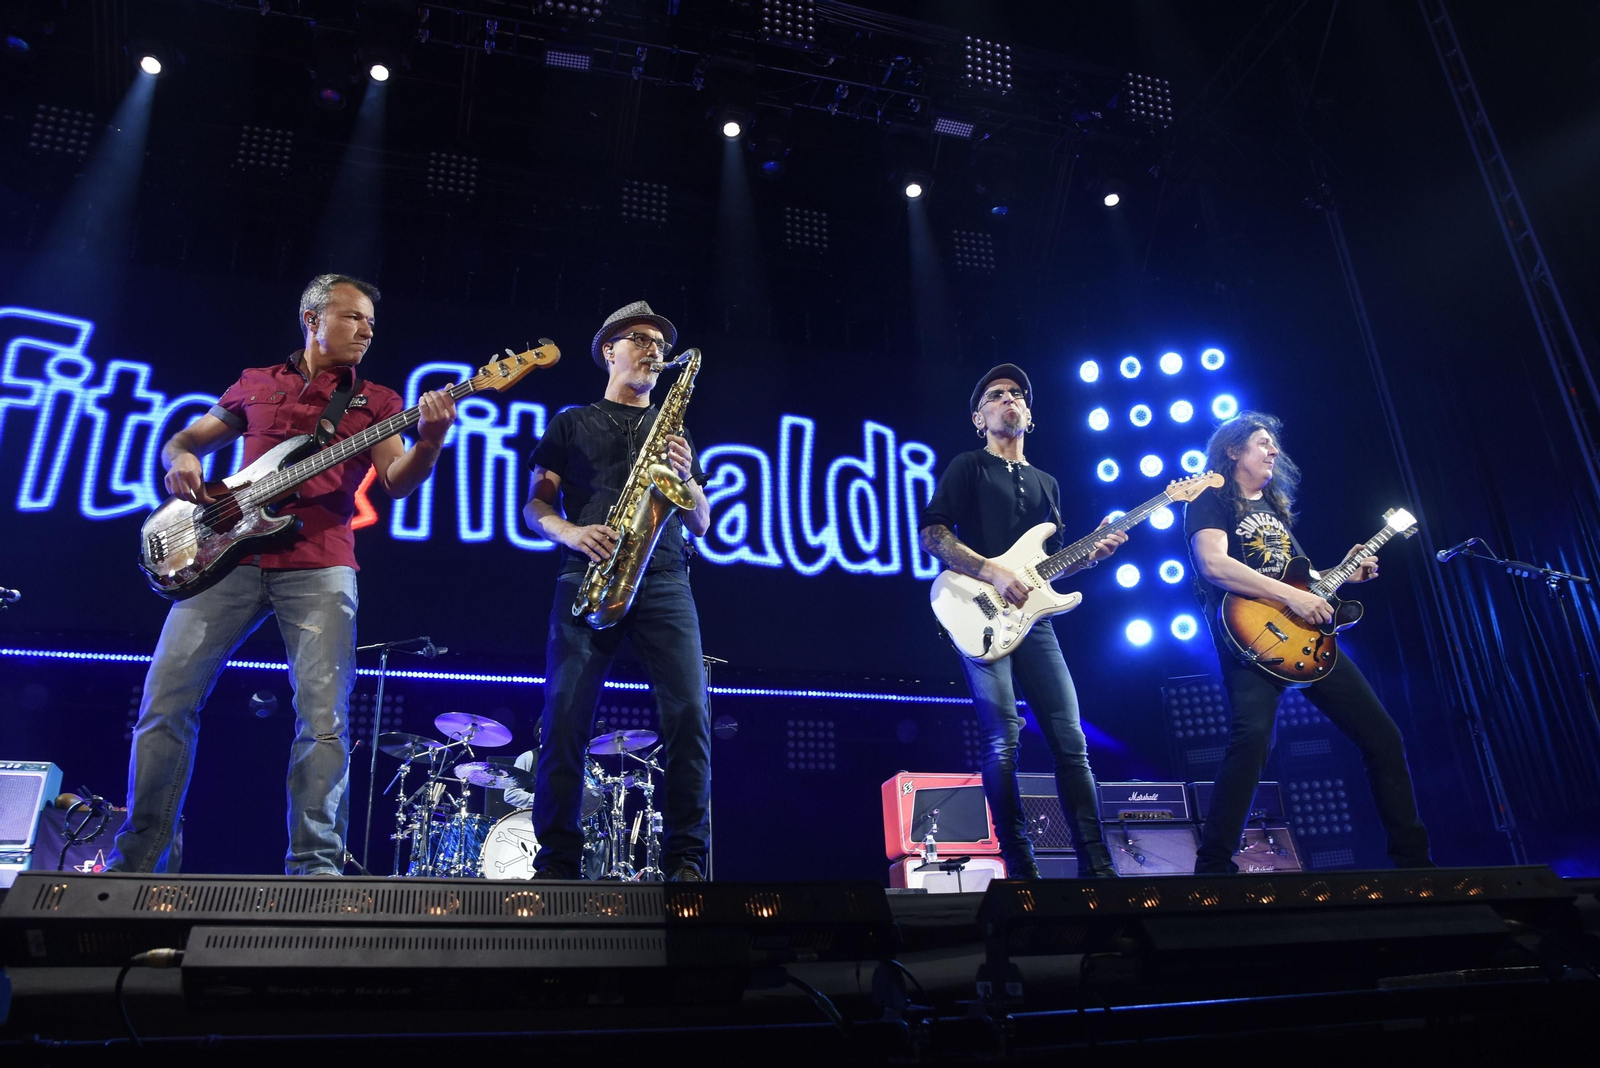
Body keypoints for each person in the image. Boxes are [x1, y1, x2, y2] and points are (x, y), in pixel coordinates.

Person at [108, 274, 457, 875]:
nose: (367, 330)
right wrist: (183, 457)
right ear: (312, 319)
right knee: (164, 703)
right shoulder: (256, 383)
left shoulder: (377, 400)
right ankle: (137, 864)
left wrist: (430, 441)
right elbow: (187, 438)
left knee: (324, 720)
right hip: (227, 557)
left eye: (372, 322)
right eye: (352, 318)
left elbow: (398, 483)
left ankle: (314, 869)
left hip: (322, 564)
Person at [1184, 410, 1432, 873]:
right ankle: (1214, 866)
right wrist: (1290, 599)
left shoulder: (1273, 510)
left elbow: (1303, 585)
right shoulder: (1210, 495)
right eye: (1262, 442)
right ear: (1233, 450)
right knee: (1253, 739)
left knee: (1383, 737)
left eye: (1274, 444)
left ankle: (1415, 863)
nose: (1273, 450)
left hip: (1308, 644)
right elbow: (1214, 566)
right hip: (1251, 638)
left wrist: (1342, 573)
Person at [522, 300, 712, 881]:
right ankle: (557, 861)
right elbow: (535, 505)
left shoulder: (673, 429)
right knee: (564, 718)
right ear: (609, 350)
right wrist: (571, 532)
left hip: (664, 578)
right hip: (589, 573)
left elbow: (701, 522)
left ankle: (687, 860)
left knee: (689, 717)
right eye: (639, 339)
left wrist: (686, 482)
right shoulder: (572, 421)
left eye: (659, 343)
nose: (653, 349)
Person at [919, 364, 1129, 878]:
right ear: (979, 417)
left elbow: (1053, 566)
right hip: (980, 612)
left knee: (1070, 740)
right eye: (996, 395)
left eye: (1017, 394)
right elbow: (932, 534)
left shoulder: (1048, 483)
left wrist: (1092, 555)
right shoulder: (969, 466)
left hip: (1036, 623)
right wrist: (991, 569)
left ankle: (1096, 863)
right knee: (1003, 739)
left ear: (1029, 415)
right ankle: (1021, 863)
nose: (1009, 399)